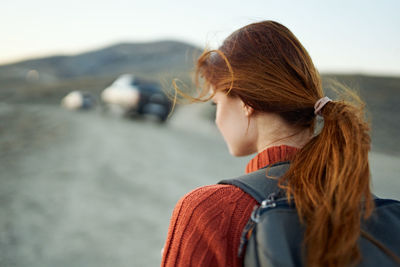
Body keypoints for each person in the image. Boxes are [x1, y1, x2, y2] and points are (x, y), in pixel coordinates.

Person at [161, 20, 376, 267]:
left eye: (216, 103)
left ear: (246, 102)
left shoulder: (210, 211)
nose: (218, 117)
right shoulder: (365, 210)